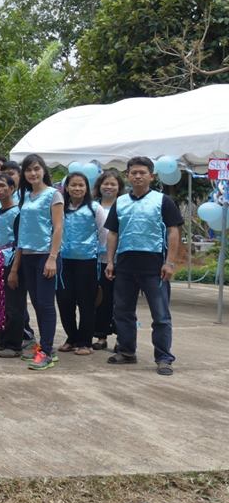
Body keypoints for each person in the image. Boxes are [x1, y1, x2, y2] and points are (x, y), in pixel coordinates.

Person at [104, 157, 183, 376]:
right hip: (125, 266)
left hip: (155, 267)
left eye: (142, 172)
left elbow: (173, 231)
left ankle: (164, 358)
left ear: (152, 176)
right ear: (127, 176)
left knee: (161, 315)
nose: (138, 176)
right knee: (123, 312)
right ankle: (127, 351)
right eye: (134, 173)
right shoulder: (120, 202)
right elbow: (113, 233)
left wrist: (170, 262)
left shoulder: (163, 201)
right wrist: (110, 261)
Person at [7, 154, 64, 371]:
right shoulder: (26, 196)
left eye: (36, 169)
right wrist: (16, 266)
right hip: (28, 256)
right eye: (29, 170)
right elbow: (22, 233)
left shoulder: (53, 195)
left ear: (43, 171)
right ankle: (44, 346)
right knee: (37, 303)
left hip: (46, 255)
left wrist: (52, 258)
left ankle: (47, 352)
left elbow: (58, 228)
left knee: (46, 304)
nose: (33, 173)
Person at [57, 172, 107, 356]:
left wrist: (101, 257)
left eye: (81, 185)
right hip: (64, 261)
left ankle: (85, 342)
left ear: (87, 188)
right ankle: (71, 337)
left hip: (88, 261)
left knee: (86, 302)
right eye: (73, 185)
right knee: (64, 300)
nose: (77, 188)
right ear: (66, 188)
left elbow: (103, 234)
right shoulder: (61, 208)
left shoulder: (95, 208)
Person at [0, 173, 32, 358]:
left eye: (2, 186)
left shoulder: (18, 213)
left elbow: (21, 243)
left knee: (15, 304)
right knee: (1, 301)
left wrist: (14, 270)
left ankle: (14, 345)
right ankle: (3, 340)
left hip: (13, 260)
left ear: (12, 189)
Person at [93, 168, 123, 350]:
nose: (109, 187)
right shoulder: (92, 206)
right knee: (101, 300)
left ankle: (122, 338)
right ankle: (101, 336)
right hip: (98, 261)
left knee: (121, 301)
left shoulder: (124, 205)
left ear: (119, 187)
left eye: (113, 184)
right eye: (106, 183)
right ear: (99, 186)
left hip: (121, 259)